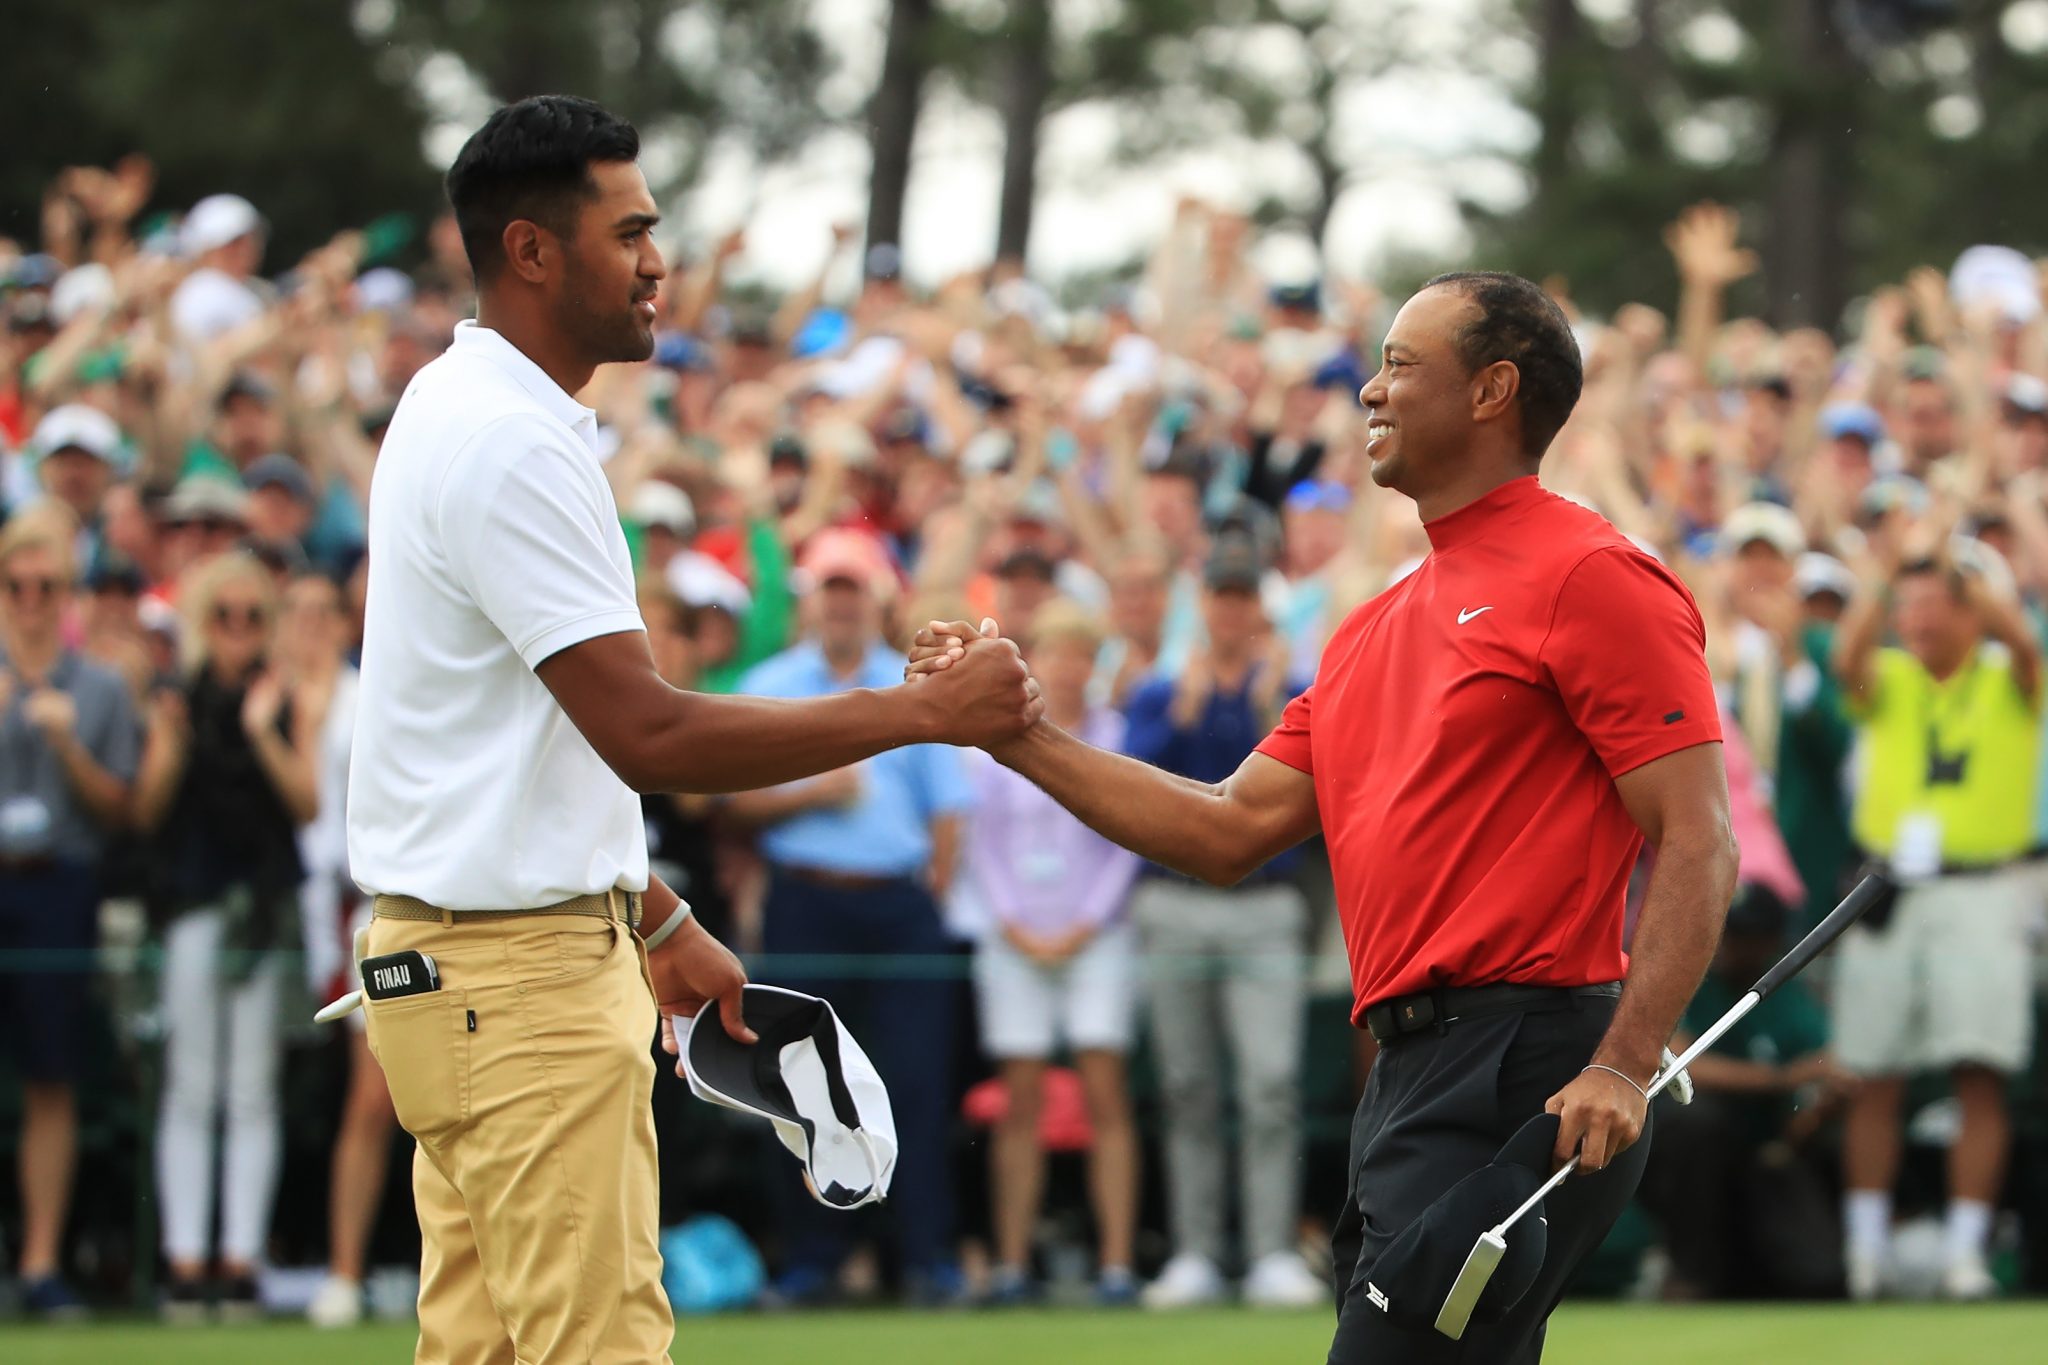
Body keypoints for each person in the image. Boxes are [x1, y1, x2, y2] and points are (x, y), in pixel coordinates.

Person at [912, 272, 1736, 1364]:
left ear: (1492, 391)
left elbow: (1697, 835)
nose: (1367, 391)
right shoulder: (1373, 626)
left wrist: (1627, 1059)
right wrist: (1015, 734)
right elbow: (1222, 829)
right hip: (1406, 1074)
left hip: (1525, 1065)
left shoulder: (1591, 576)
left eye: (1400, 364)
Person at [345, 97, 1035, 1365]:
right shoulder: (506, 439)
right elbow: (648, 735)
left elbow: (509, 748)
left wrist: (653, 915)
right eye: (632, 231)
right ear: (532, 252)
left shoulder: (465, 405)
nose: (659, 261)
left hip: (467, 976)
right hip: (520, 990)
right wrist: (923, 714)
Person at [727, 527, 974, 1306]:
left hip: (897, 905)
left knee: (915, 1082)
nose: (840, 605)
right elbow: (732, 797)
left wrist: (927, 894)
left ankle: (922, 1256)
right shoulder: (771, 680)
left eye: (852, 590)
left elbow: (947, 813)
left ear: (876, 601)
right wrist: (812, 790)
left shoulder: (913, 683)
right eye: (829, 590)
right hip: (806, 898)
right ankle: (815, 1257)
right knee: (805, 1089)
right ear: (812, 602)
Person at [1829, 546, 2043, 1302]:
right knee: (1870, 1073)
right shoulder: (1891, 676)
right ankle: (1866, 1252)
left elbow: (2021, 645)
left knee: (1978, 1072)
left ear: (1968, 609)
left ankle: (1963, 1253)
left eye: (1929, 604)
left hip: (1982, 888)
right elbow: (1848, 657)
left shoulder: (2008, 676)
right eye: (1904, 606)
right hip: (1888, 890)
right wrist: (1887, 573)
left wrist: (1973, 576)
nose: (1911, 618)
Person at [1121, 533, 1323, 1311]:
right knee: (1186, 1087)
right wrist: (1187, 706)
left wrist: (1268, 705)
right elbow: (1135, 788)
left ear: (1257, 610)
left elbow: (1309, 791)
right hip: (1176, 902)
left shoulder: (1293, 688)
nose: (1232, 611)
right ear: (1204, 607)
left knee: (1270, 1085)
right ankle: (1197, 1250)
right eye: (1222, 597)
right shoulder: (1163, 687)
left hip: (1264, 906)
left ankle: (1270, 1250)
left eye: (1244, 598)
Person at [134, 549, 323, 1321]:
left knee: (251, 1088)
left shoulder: (283, 699)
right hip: (194, 903)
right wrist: (172, 741)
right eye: (225, 615)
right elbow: (145, 811)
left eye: (254, 616)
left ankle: (239, 1257)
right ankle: (186, 1257)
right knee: (190, 1083)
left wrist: (264, 731)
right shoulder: (172, 698)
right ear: (201, 621)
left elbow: (307, 803)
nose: (240, 631)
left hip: (265, 906)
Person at [965, 598, 1143, 1307]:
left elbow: (1131, 832)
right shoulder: (997, 735)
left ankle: (1118, 1263)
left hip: (1096, 936)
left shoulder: (1118, 732)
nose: (1067, 668)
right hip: (1016, 937)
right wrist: (1013, 921)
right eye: (1056, 653)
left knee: (1106, 1094)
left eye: (1079, 654)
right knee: (1021, 1101)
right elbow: (982, 841)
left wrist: (1084, 923)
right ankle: (1011, 1264)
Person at [0, 509, 139, 1318]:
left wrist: (67, 745)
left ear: (67, 593)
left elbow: (121, 807)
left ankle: (43, 1259)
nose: (30, 600)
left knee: (53, 1077)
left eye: (47, 585)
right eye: (17, 585)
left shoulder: (97, 685)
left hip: (60, 879)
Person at [1635, 886, 1853, 1301]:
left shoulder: (1790, 994)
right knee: (1695, 1124)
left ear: (1773, 940)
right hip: (1691, 1151)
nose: (1736, 947)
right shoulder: (1690, 980)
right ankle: (1688, 1273)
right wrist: (1782, 1078)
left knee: (1817, 1276)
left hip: (1771, 1147)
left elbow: (1828, 1068)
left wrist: (1812, 1109)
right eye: (1731, 934)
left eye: (1750, 936)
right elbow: (1679, 1060)